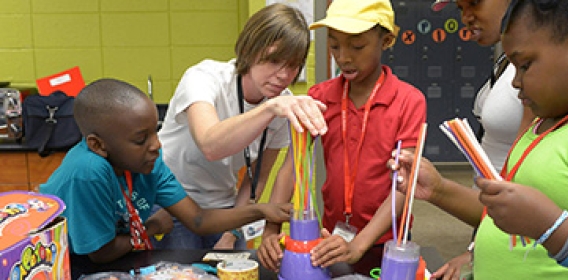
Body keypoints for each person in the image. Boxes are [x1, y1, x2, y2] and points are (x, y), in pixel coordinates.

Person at [392, 0, 568, 279]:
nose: (515, 82)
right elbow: (510, 216)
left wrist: (553, 228)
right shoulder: (544, 124)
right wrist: (440, 190)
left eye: (525, 65)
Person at [39, 78, 293, 264]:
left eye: (155, 131)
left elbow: (198, 219)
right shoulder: (88, 170)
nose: (156, 145)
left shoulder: (147, 162)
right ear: (98, 145)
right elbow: (100, 252)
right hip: (62, 264)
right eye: (141, 140)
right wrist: (150, 227)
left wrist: (260, 210)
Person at [258, 0, 427, 274]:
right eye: (334, 45)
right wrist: (271, 229)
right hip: (330, 241)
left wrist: (359, 243)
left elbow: (404, 185)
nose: (344, 57)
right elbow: (293, 166)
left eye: (357, 46)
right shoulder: (319, 98)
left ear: (386, 41)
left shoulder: (408, 101)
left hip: (386, 241)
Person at [156, 3, 327, 250]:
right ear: (249, 49)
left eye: (293, 65)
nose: (283, 74)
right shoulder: (204, 77)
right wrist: (269, 109)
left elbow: (257, 177)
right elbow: (210, 144)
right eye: (274, 60)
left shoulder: (281, 103)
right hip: (172, 202)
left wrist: (232, 233)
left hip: (223, 205)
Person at [428, 0, 537, 278]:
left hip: (513, 231)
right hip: (493, 215)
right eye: (460, 9)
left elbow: (528, 182)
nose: (466, 18)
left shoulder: (539, 75)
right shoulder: (505, 62)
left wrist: (476, 250)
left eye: (474, 4)